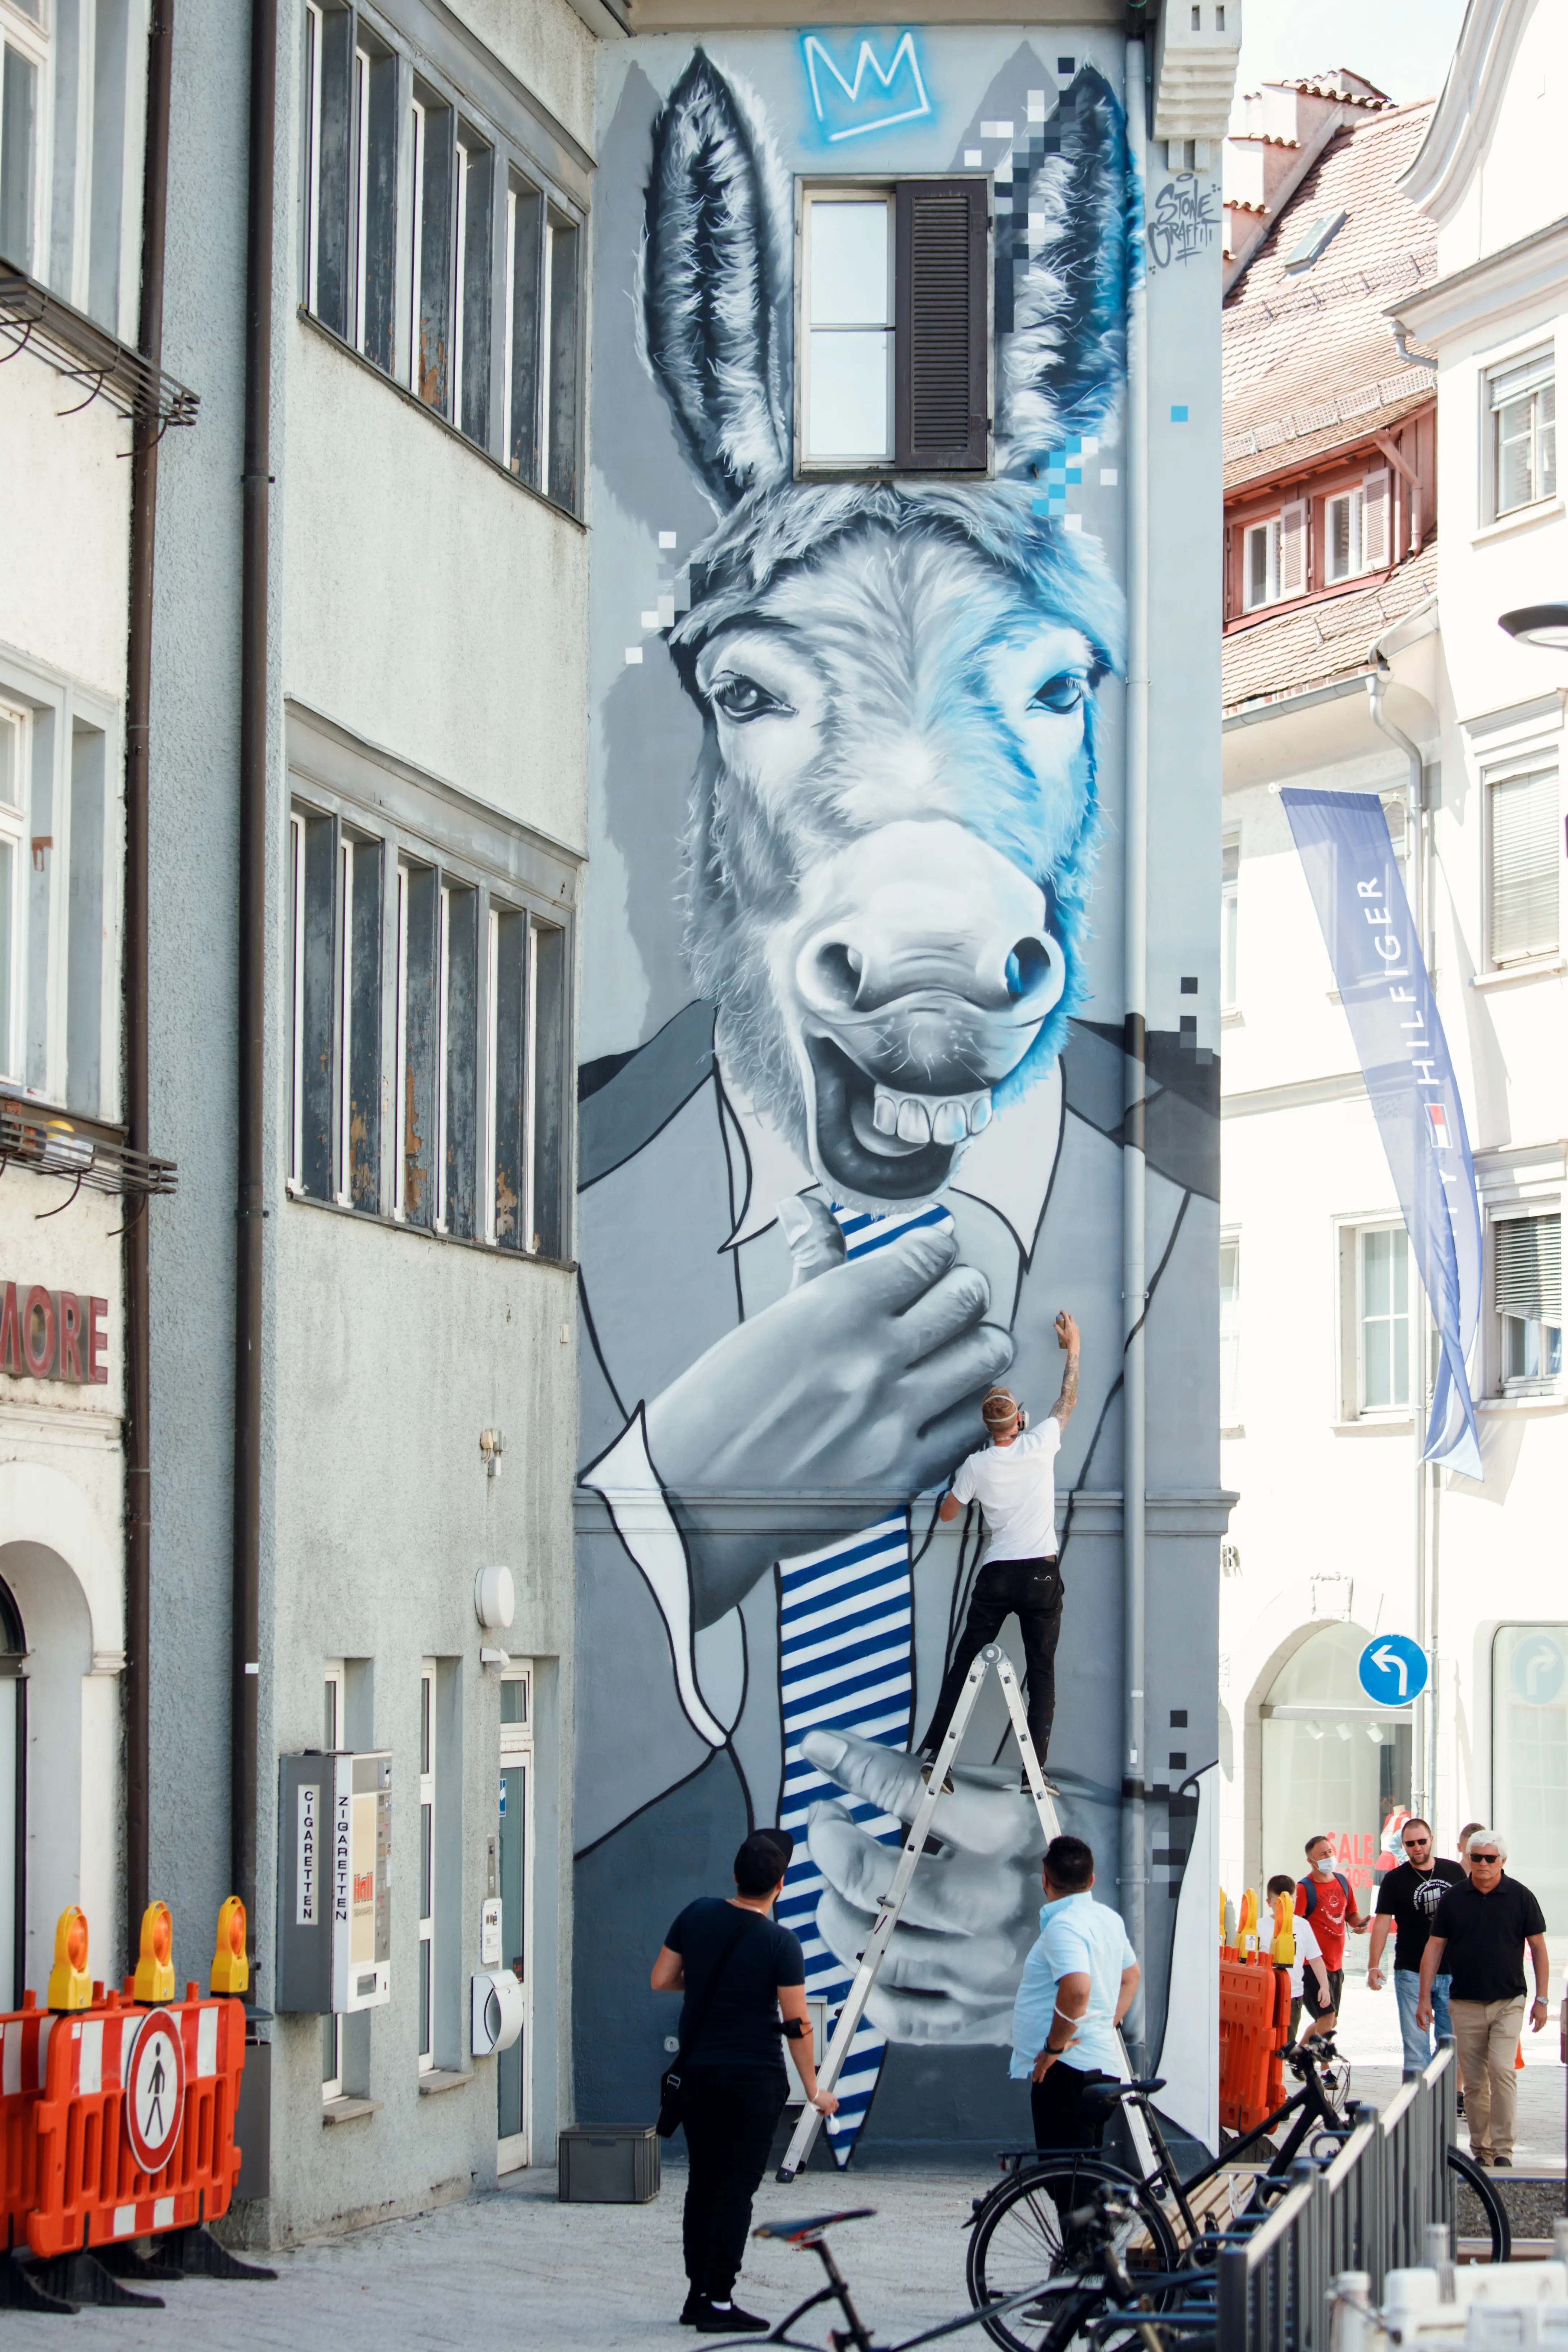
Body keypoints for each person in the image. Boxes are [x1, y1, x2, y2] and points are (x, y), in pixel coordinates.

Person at [651, 1830, 839, 2332]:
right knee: (735, 2190)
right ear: (780, 1884)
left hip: (697, 2077)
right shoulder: (780, 1943)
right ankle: (719, 2302)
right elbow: (797, 2024)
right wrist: (815, 2090)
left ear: (735, 1875)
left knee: (703, 2184)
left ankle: (697, 2294)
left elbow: (662, 1979)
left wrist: (714, 1979)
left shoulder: (695, 1914)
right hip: (752, 2082)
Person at [917, 1312, 1081, 1780]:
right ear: (1020, 1418)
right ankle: (1034, 1770)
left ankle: (937, 1761)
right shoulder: (1040, 1443)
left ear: (988, 1427)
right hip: (1040, 1576)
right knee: (1041, 1673)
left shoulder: (976, 1465)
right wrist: (1072, 1347)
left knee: (964, 1664)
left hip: (996, 1575)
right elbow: (1065, 1400)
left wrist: (961, 1488)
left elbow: (948, 1513)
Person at [1417, 1829, 1549, 2171]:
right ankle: (1482, 2150)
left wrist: (1543, 2000)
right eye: (1478, 1858)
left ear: (1502, 1861)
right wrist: (1423, 1999)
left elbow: (1537, 1948)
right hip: (1464, 2002)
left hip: (1509, 2001)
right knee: (1474, 2081)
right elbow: (1434, 1947)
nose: (1484, 1865)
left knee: (1502, 2070)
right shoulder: (1454, 1898)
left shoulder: (1520, 1896)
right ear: (1469, 1860)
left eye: (1491, 1859)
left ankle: (1503, 2148)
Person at [1011, 1833, 1139, 2153]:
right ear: (1091, 1879)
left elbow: (1077, 1990)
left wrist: (1053, 2050)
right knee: (1081, 2183)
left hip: (1068, 2073)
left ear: (1045, 1880)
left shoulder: (1064, 1925)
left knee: (1066, 2186)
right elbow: (1130, 1977)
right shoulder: (1107, 1919)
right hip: (1099, 2070)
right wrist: (1104, 2024)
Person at [1367, 1818, 1464, 2077]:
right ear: (1403, 1846)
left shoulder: (1454, 1872)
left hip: (1452, 1970)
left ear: (1431, 1840)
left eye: (1421, 1841)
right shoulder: (1394, 1880)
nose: (1417, 1848)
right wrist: (1373, 1965)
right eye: (1410, 1844)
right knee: (1415, 2047)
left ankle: (1438, 2106)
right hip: (1411, 1970)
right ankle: (1415, 2110)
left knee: (1451, 2047)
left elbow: (1470, 1918)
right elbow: (1381, 1923)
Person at [1295, 1834, 1369, 2018]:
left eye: (1330, 1852)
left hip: (1337, 1966)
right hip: (1312, 1966)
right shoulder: (1304, 1888)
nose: (1329, 1857)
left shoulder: (1343, 1882)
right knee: (1327, 2019)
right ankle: (1313, 2048)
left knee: (1331, 2022)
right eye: (1323, 1854)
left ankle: (1303, 2049)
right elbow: (1295, 1926)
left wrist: (1359, 1924)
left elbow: (1351, 1914)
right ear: (1311, 1861)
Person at [1266, 1875, 1334, 2045]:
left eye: (1291, 1903)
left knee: (1286, 2043)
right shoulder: (1260, 1926)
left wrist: (1324, 1987)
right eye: (1279, 1905)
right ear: (1269, 1903)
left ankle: (1281, 2072)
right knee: (1266, 2042)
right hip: (1266, 1994)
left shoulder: (1302, 1926)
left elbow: (1316, 1959)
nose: (1286, 1909)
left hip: (1293, 1996)